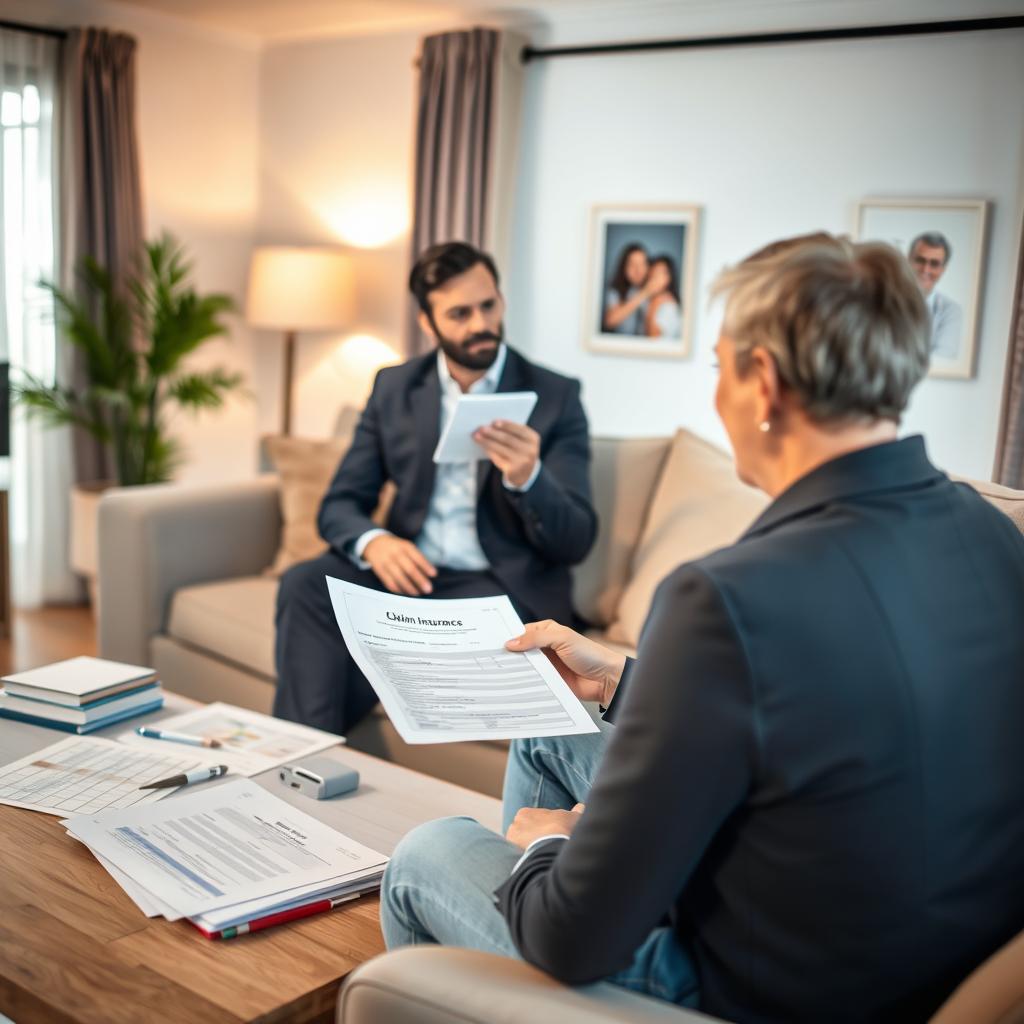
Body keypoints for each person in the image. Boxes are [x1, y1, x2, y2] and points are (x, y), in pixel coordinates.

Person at [380, 233, 1024, 1022]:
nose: (717, 392)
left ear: (763, 382)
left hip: (751, 991)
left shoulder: (726, 597)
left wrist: (553, 846)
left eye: (719, 366)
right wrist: (624, 678)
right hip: (907, 955)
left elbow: (572, 941)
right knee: (552, 726)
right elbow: (830, 711)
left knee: (426, 854)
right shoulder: (991, 537)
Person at [273, 241, 597, 735]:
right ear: (428, 322)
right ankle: (301, 755)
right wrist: (375, 543)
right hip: (410, 574)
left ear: (501, 301)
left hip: (497, 587)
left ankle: (316, 740)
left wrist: (528, 478)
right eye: (459, 313)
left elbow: (575, 540)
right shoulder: (396, 387)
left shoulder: (555, 395)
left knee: (345, 666)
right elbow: (340, 503)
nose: (479, 324)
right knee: (304, 584)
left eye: (488, 305)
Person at [908, 231, 963, 359]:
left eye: (934, 264)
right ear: (908, 260)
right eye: (920, 260)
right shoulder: (884, 302)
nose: (925, 270)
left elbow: (944, 358)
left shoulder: (951, 311)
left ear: (943, 270)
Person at [601, 243, 651, 334]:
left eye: (642, 264)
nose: (638, 270)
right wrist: (645, 293)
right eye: (632, 264)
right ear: (624, 267)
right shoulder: (615, 290)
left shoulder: (656, 291)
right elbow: (610, 321)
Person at [643, 253, 682, 339]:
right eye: (653, 272)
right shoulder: (646, 299)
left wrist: (654, 304)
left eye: (660, 273)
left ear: (669, 277)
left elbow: (653, 337)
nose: (655, 277)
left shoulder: (670, 306)